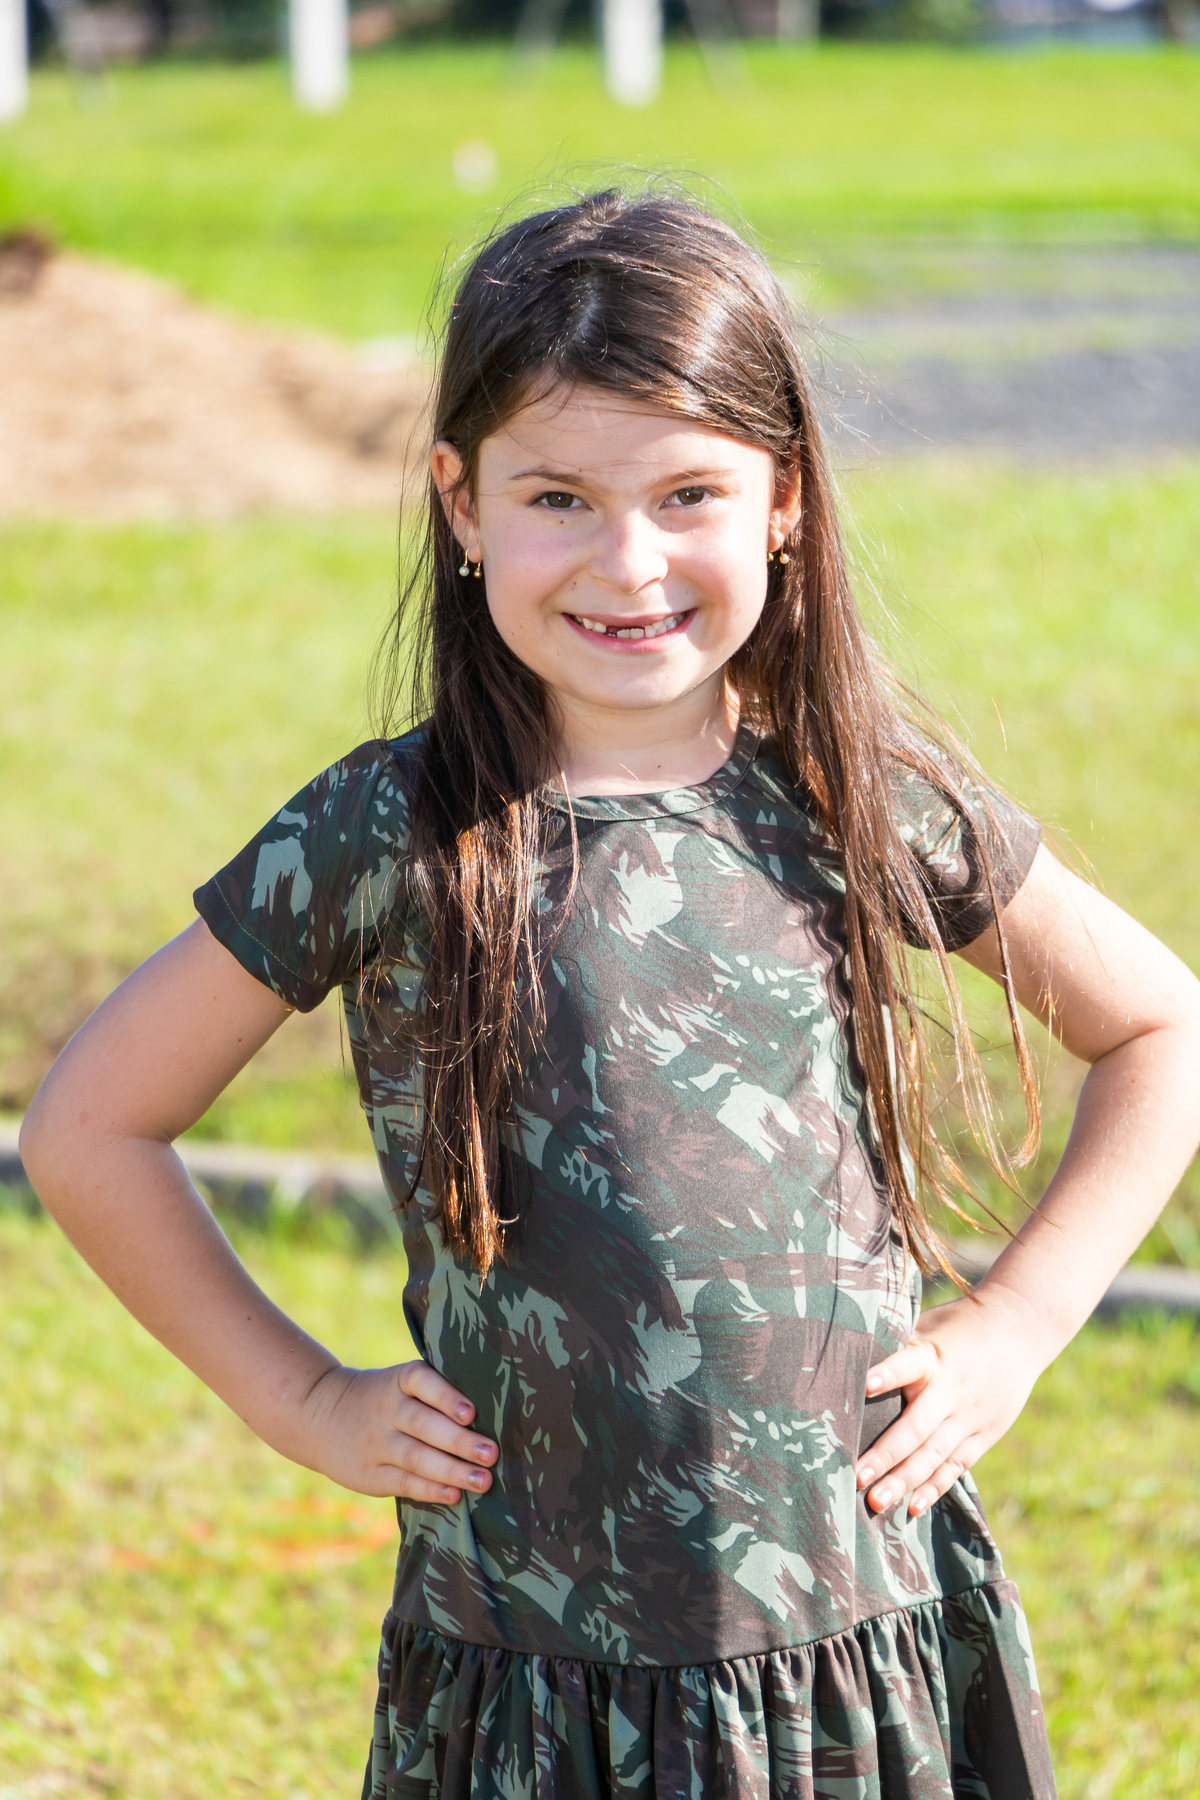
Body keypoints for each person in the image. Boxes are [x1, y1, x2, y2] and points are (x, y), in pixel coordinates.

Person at [20, 189, 1200, 1800]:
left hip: (849, 1637)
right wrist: (306, 1400)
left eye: (689, 493)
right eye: (559, 497)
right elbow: (91, 1126)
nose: (627, 562)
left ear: (785, 499)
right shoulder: (389, 829)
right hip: (533, 1671)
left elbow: (1159, 1026)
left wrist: (1018, 1325)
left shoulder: (853, 794)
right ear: (461, 504)